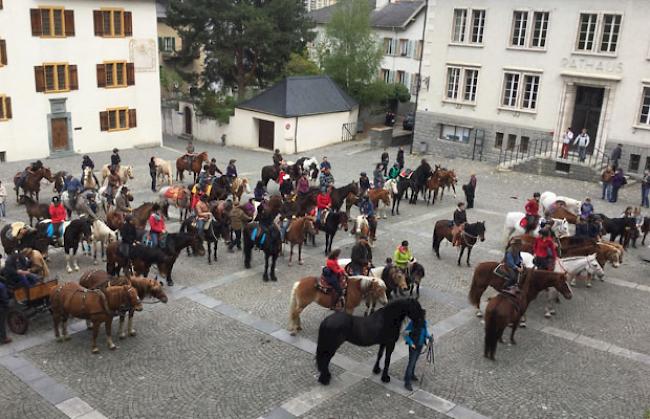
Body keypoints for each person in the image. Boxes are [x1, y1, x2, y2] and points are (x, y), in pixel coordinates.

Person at [403, 315, 433, 391]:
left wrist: (429, 337)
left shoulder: (424, 322)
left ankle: (411, 375)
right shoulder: (412, 323)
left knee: (414, 361)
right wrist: (410, 343)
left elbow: (425, 332)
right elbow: (405, 334)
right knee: (411, 363)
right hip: (413, 346)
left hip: (420, 345)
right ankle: (407, 382)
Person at [0, 278, 10, 344]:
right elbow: (4, 298)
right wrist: (6, 305)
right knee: (1, 323)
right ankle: (4, 338)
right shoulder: (1, 286)